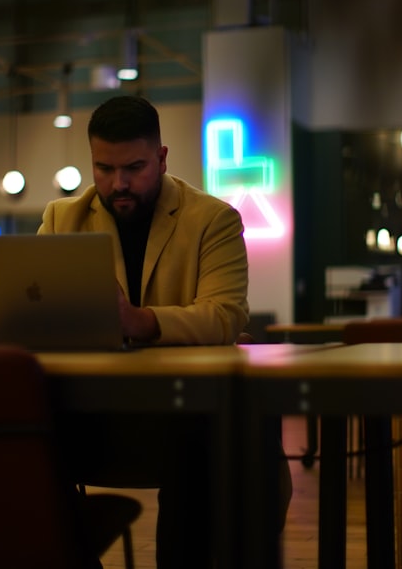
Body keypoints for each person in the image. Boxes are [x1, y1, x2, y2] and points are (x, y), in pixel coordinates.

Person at [36, 95, 252, 568]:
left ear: (162, 157)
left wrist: (139, 320)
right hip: (92, 417)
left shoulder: (213, 220)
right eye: (104, 168)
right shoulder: (61, 218)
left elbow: (226, 315)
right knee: (15, 446)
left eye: (134, 167)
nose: (119, 184)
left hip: (181, 416)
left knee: (207, 456)